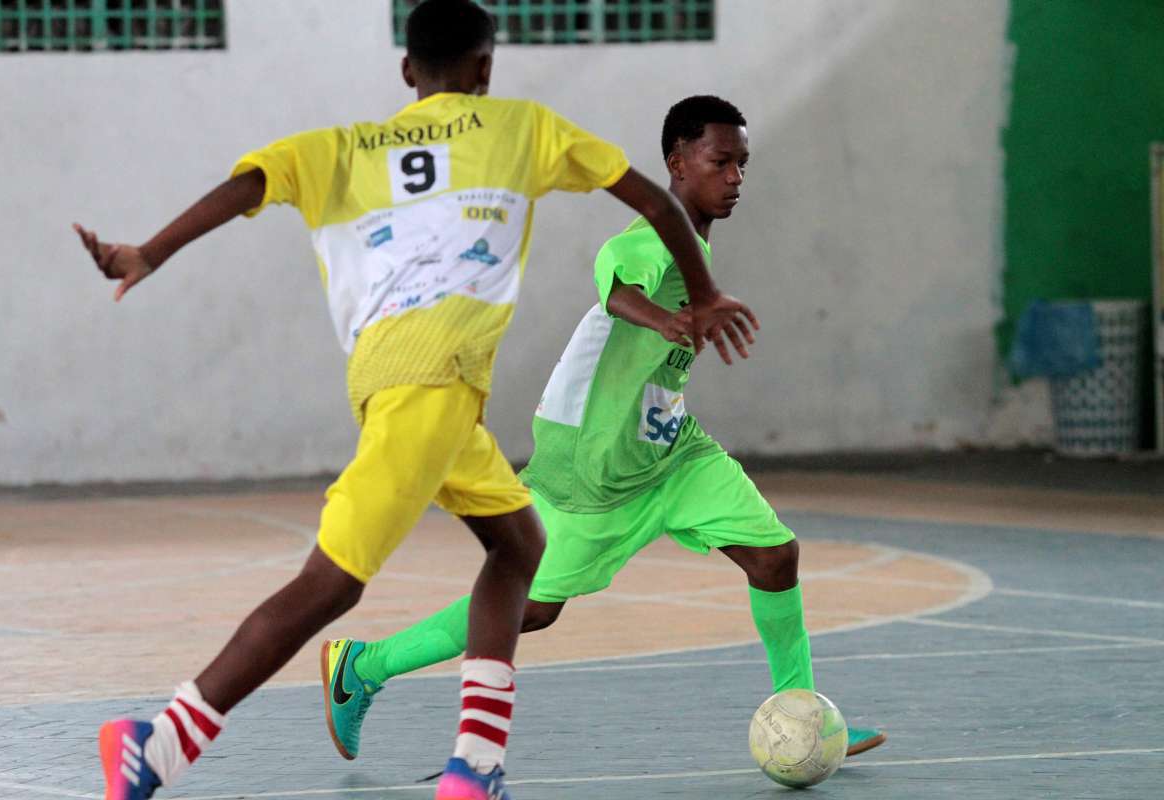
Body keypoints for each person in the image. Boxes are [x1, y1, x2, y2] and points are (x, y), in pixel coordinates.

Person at [74, 2, 758, 799]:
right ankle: (157, 744)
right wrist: (703, 290)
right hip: (427, 391)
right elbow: (653, 201)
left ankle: (477, 765)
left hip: (415, 392)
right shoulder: (519, 128)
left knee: (520, 550)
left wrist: (149, 251)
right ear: (485, 71)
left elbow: (246, 185)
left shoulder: (340, 148)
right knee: (331, 585)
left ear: (407, 73)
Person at [321, 95, 886, 767]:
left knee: (773, 556)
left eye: (742, 164)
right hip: (590, 458)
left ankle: (803, 716)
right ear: (677, 163)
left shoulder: (695, 248)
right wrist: (665, 318)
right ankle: (364, 665)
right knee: (531, 608)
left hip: (668, 449)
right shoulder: (650, 240)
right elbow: (614, 284)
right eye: (720, 162)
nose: (735, 177)